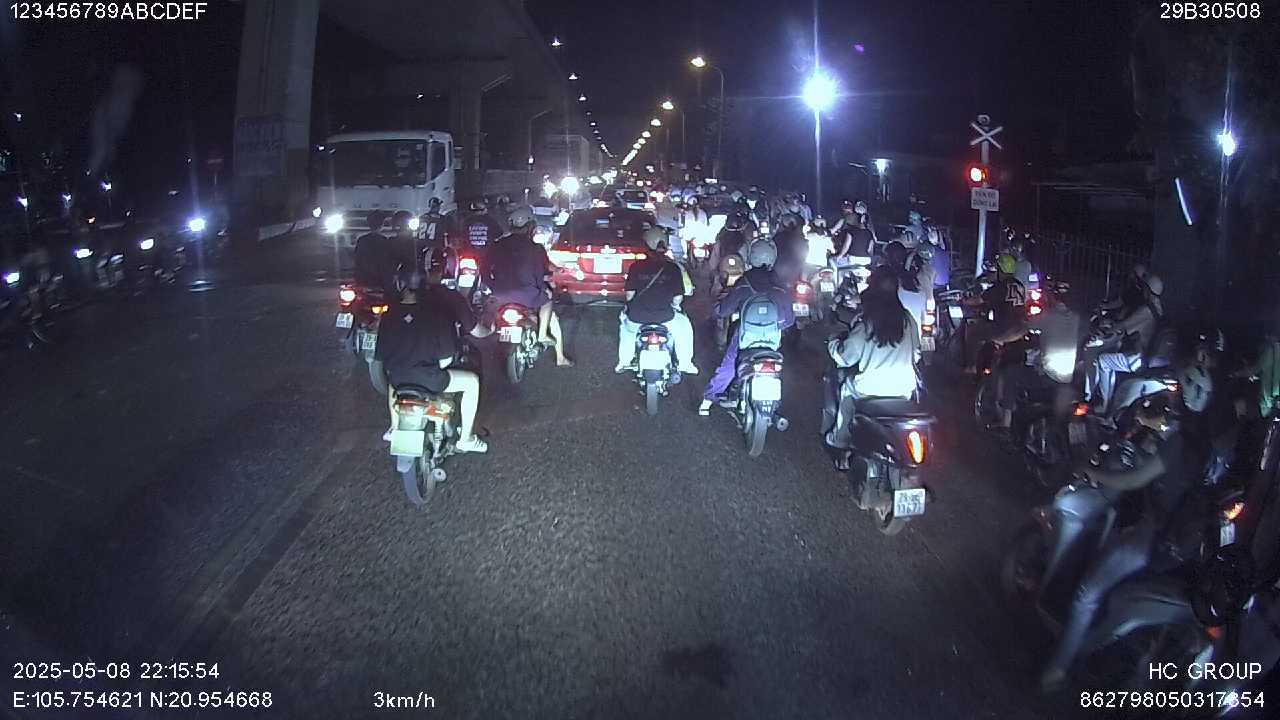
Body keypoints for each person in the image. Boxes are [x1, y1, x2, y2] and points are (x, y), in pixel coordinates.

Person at [1040, 393, 1202, 690]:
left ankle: (1058, 667)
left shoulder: (1182, 443)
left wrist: (1094, 472)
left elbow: (1133, 480)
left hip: (1153, 536)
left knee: (1087, 594)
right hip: (1176, 542)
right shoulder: (1208, 445)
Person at [375, 263, 489, 453]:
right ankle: (466, 439)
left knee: (393, 382)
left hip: (398, 378)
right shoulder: (436, 313)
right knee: (472, 382)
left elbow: (380, 356)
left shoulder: (389, 314)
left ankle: (394, 428)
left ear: (400, 284)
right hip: (430, 379)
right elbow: (446, 359)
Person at [823, 267, 922, 467]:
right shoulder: (908, 320)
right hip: (903, 390)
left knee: (846, 391)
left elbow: (845, 358)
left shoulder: (867, 323)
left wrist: (833, 343)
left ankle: (840, 441)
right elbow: (916, 352)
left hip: (869, 389)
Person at [699, 239, 795, 415]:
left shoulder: (745, 282)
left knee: (729, 364)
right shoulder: (780, 285)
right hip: (772, 340)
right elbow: (789, 320)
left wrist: (717, 307)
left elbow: (723, 310)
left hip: (746, 337)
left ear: (751, 257)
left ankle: (708, 400)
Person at [486, 205, 573, 367]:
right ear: (530, 227)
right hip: (528, 296)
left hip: (500, 294)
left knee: (490, 312)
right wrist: (553, 277)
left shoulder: (497, 245)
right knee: (548, 302)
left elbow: (484, 269)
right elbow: (543, 270)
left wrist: (492, 286)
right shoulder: (536, 248)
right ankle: (552, 348)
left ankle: (492, 330)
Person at [616, 227, 698, 375]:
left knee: (626, 330)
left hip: (637, 316)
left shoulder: (636, 267)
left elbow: (629, 296)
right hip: (665, 317)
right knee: (684, 328)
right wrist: (673, 305)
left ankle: (624, 361)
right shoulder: (673, 268)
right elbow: (678, 299)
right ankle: (685, 363)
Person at [1085, 272, 1165, 412]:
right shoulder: (1157, 308)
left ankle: (1104, 404)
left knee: (1103, 360)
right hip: (1142, 352)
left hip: (1138, 357)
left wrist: (1106, 328)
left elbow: (1122, 326)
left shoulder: (1146, 310)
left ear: (1148, 290)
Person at [962, 252, 1027, 374]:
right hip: (1021, 329)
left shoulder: (1000, 287)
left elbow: (978, 300)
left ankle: (971, 367)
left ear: (1000, 270)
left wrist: (964, 301)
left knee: (973, 332)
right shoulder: (1019, 285)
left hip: (1005, 329)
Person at [353, 210, 393, 291]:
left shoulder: (362, 240)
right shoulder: (385, 241)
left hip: (364, 278)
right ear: (382, 224)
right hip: (381, 279)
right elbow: (388, 261)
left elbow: (357, 259)